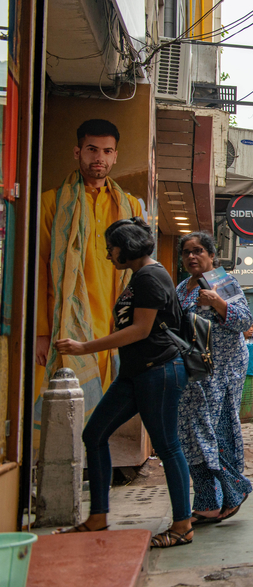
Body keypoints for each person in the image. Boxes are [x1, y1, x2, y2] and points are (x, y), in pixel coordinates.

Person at [53, 219, 191, 548]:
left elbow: (140, 330)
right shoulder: (139, 276)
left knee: (168, 446)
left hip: (158, 370)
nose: (108, 254)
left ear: (125, 246)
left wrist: (84, 347)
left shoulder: (151, 276)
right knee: (95, 433)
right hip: (136, 373)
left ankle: (183, 524)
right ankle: (98, 517)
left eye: (111, 247)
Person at [36, 119, 144, 428]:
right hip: (67, 324)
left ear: (115, 156)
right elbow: (41, 267)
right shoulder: (51, 203)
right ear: (77, 152)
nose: (99, 158)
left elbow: (139, 272)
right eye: (91, 150)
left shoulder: (130, 207)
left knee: (107, 411)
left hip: (113, 325)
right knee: (64, 410)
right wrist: (42, 331)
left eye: (107, 151)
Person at [175, 232, 253, 524]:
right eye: (186, 252)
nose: (192, 257)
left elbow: (245, 322)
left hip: (222, 372)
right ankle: (212, 501)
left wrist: (219, 304)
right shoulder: (182, 288)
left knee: (211, 433)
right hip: (193, 373)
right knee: (192, 436)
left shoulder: (224, 282)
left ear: (211, 255)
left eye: (198, 251)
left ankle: (232, 490)